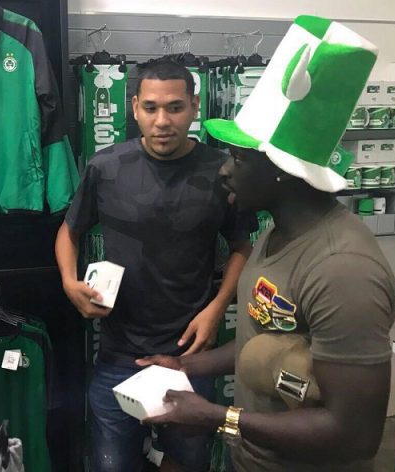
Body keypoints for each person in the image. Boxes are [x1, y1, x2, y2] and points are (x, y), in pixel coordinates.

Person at [138, 15, 395, 472]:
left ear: (281, 171)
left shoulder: (343, 269)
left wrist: (217, 417)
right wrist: (186, 367)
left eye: (239, 158)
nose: (224, 169)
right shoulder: (277, 232)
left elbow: (355, 434)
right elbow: (261, 338)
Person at [55, 59, 255, 471]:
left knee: (187, 461)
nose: (162, 121)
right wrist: (69, 283)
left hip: (190, 353)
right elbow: (69, 231)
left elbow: (242, 246)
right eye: (150, 107)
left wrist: (217, 308)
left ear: (195, 107)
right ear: (134, 108)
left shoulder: (220, 171)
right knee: (113, 464)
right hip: (117, 354)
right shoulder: (106, 167)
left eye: (175, 107)